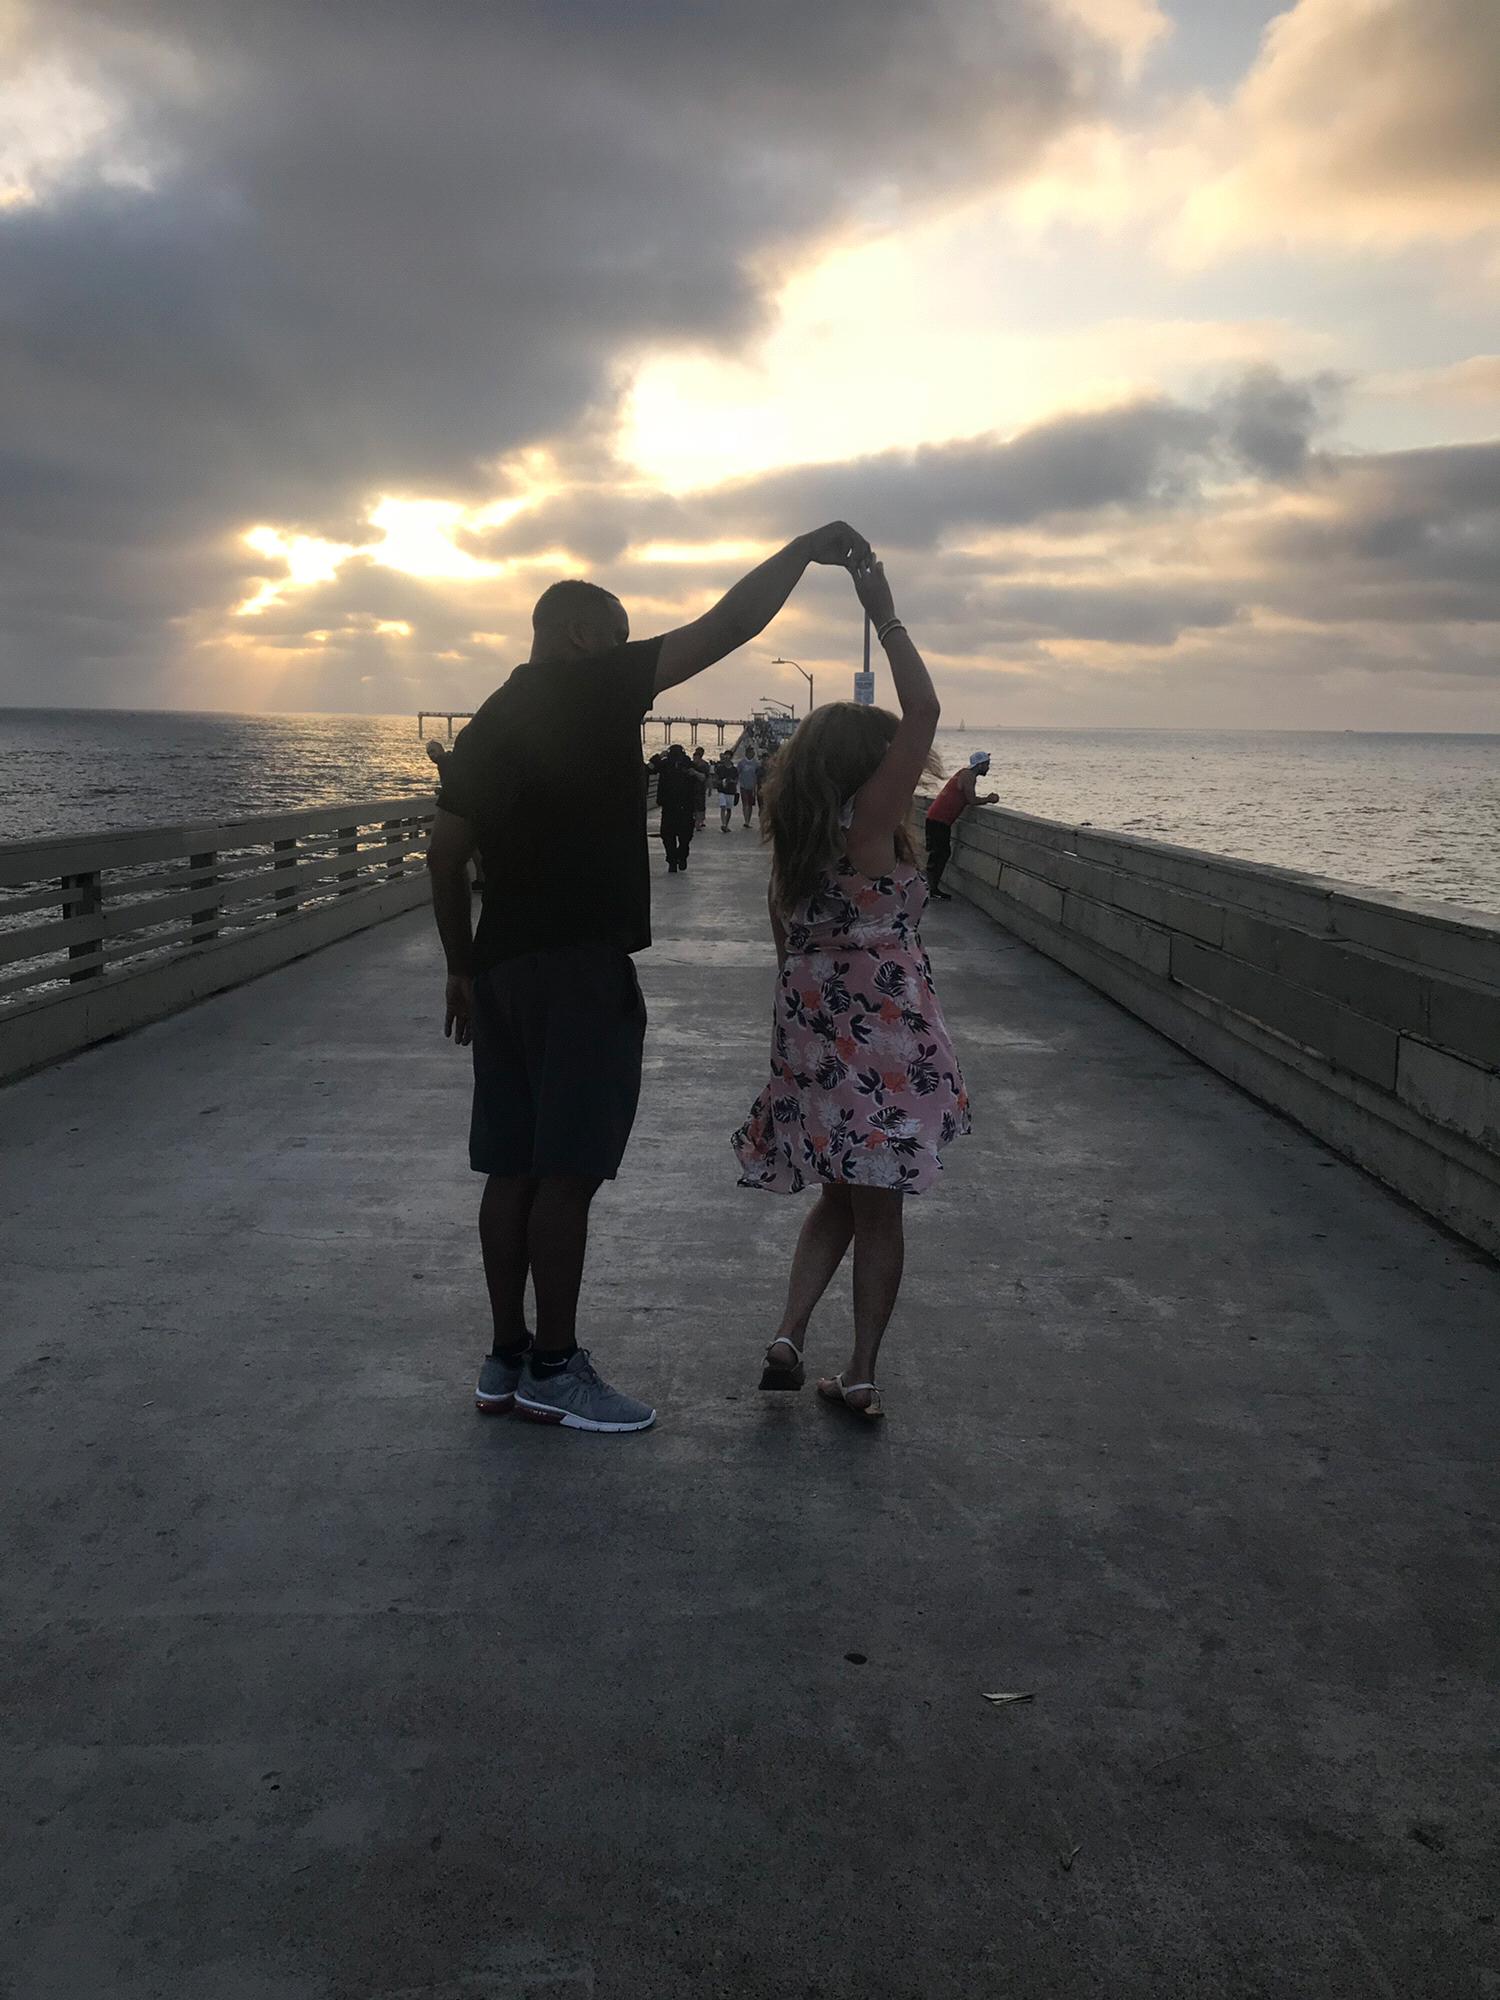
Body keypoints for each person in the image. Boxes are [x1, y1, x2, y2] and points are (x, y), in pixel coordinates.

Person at [426, 520, 871, 1434]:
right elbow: (729, 625)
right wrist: (800, 551)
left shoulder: (490, 718)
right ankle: (556, 1367)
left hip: (502, 965)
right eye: (622, 634)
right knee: (567, 1172)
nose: (633, 654)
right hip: (579, 965)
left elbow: (444, 852)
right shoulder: (594, 683)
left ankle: (505, 1359)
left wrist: (460, 967)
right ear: (583, 633)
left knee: (508, 1169)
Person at [731, 555, 969, 1420]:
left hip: (811, 1046)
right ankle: (861, 1370)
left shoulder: (793, 844)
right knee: (881, 1210)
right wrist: (885, 611)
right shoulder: (873, 826)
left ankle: (789, 1335)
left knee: (838, 1193)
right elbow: (927, 710)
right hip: (883, 1050)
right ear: (870, 764)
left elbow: (784, 950)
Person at [923, 750, 999, 901]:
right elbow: (971, 800)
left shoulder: (964, 774)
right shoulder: (968, 776)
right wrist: (989, 799)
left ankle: (929, 888)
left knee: (937, 854)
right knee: (941, 854)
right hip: (939, 820)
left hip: (936, 817)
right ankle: (931, 889)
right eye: (987, 765)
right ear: (980, 764)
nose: (988, 768)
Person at [656, 742, 701, 874]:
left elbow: (650, 768)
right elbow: (702, 777)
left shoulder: (665, 764)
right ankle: (681, 857)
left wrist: (659, 756)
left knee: (668, 835)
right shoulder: (688, 763)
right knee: (685, 836)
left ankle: (672, 860)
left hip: (669, 806)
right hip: (685, 806)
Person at [713, 752, 738, 831]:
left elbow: (736, 780)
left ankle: (726, 824)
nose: (726, 757)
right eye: (725, 755)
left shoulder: (734, 769)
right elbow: (716, 779)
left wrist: (731, 781)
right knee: (723, 806)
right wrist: (719, 782)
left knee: (729, 809)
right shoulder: (720, 768)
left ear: (730, 757)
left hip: (731, 791)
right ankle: (723, 824)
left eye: (728, 756)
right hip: (722, 790)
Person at [736, 749, 761, 827]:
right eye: (751, 753)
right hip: (743, 785)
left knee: (750, 804)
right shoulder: (741, 763)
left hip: (752, 787)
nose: (753, 754)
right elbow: (737, 773)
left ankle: (748, 820)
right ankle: (746, 821)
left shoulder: (756, 763)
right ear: (747, 753)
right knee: (745, 803)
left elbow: (758, 774)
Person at [690, 745, 711, 829]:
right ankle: (697, 821)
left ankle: (699, 822)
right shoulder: (691, 765)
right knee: (694, 806)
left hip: (700, 788)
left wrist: (709, 788)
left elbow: (706, 777)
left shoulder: (704, 765)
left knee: (700, 806)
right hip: (692, 788)